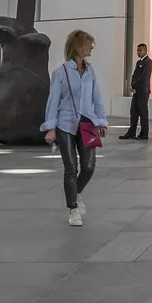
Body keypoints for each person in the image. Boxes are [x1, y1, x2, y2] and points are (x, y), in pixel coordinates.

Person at [42, 29, 106, 227]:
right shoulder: (61, 72)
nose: (91, 47)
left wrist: (101, 120)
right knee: (71, 168)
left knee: (88, 166)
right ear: (78, 47)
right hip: (65, 124)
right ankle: (73, 209)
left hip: (87, 123)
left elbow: (97, 98)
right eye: (88, 44)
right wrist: (51, 127)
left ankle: (76, 193)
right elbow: (52, 101)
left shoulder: (91, 71)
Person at [121, 42, 152, 140]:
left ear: (146, 51)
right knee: (133, 112)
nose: (138, 52)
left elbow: (144, 77)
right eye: (137, 50)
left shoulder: (148, 62)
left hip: (143, 91)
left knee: (143, 113)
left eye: (140, 50)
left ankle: (144, 134)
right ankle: (131, 132)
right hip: (136, 91)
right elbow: (135, 75)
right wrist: (132, 85)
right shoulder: (139, 62)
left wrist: (134, 85)